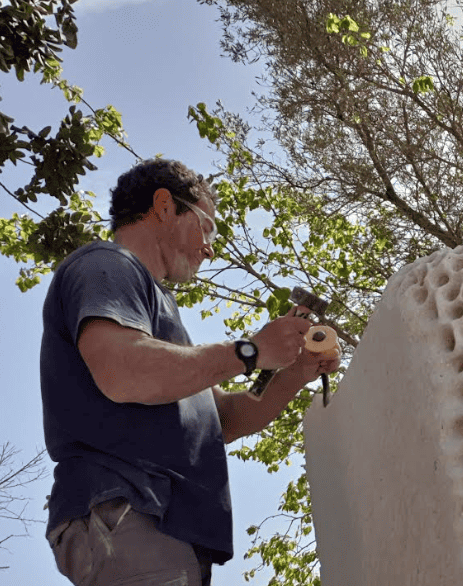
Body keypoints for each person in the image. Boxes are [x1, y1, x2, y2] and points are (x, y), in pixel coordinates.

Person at [39, 158, 340, 586]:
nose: (210, 247)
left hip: (165, 525)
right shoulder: (108, 265)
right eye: (208, 226)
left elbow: (226, 421)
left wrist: (294, 371)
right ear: (164, 206)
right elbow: (124, 371)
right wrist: (252, 350)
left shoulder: (161, 319)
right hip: (129, 504)